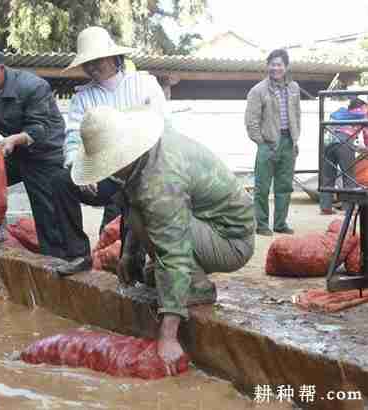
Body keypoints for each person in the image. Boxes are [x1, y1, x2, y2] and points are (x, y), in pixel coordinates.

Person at [70, 105, 255, 376]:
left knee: (158, 235)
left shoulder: (160, 180)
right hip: (202, 225)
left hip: (230, 240)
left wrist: (167, 336)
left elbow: (174, 252)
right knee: (150, 250)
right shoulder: (143, 157)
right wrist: (129, 254)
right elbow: (135, 207)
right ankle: (180, 279)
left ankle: (198, 285)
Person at [51, 26, 169, 275]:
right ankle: (77, 254)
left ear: (114, 58)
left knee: (134, 212)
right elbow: (73, 138)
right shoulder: (82, 98)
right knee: (61, 182)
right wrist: (78, 170)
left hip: (142, 173)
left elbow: (162, 128)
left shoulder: (144, 84)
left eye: (98, 60)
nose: (93, 67)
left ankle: (144, 263)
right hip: (102, 173)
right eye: (88, 63)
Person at [0, 45, 75, 256]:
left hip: (44, 154)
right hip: (13, 150)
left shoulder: (33, 87)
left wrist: (15, 139)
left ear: (1, 68)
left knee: (47, 216)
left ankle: (56, 262)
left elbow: (38, 128)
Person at [245, 49, 301, 236]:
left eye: (280, 64)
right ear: (268, 66)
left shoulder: (293, 88)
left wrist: (295, 138)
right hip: (268, 144)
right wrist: (261, 142)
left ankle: (280, 224)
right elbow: (251, 121)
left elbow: (297, 115)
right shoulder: (258, 90)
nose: (276, 68)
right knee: (262, 187)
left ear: (286, 67)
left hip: (288, 143)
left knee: (284, 186)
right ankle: (261, 225)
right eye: (273, 64)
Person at [320, 98, 368, 215]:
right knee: (349, 176)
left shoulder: (339, 112)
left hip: (328, 143)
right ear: (362, 107)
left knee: (327, 176)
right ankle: (348, 208)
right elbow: (366, 134)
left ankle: (325, 207)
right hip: (344, 143)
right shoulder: (362, 114)